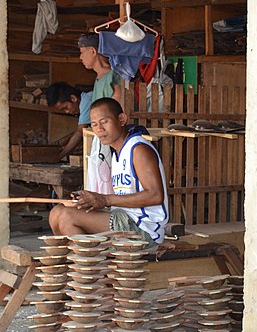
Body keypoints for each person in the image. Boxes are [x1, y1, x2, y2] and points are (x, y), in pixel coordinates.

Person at [49, 98, 169, 246]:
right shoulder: (116, 153)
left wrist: (105, 200)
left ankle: (90, 261)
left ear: (121, 119)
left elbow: (155, 195)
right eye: (94, 124)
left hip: (143, 229)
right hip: (122, 217)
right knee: (56, 213)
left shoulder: (138, 149)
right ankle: (82, 261)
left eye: (104, 121)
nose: (99, 129)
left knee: (66, 216)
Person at [78, 33, 123, 194]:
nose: (80, 57)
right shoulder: (99, 78)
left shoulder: (114, 76)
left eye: (82, 52)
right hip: (100, 138)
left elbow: (117, 109)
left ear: (92, 51)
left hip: (111, 138)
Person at [45, 82, 92, 159]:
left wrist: (59, 156)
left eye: (65, 107)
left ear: (73, 98)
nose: (67, 112)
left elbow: (79, 133)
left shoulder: (86, 102)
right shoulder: (85, 99)